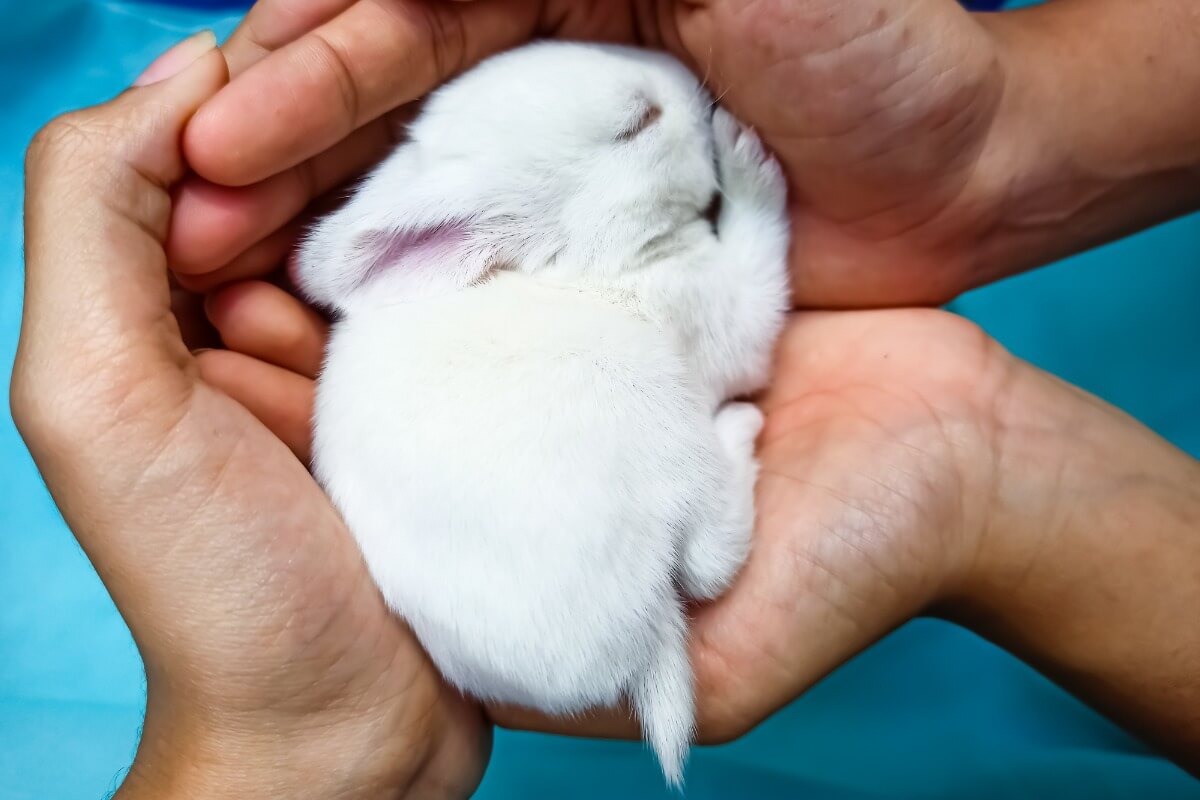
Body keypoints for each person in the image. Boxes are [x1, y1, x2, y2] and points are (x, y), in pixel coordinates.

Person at [12, 2, 1199, 797]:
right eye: (639, 121)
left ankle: (646, 606)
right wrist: (757, 211)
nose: (681, 100)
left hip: (527, 610)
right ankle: (696, 544)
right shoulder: (618, 297)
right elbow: (736, 340)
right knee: (643, 418)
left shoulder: (442, 311)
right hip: (569, 599)